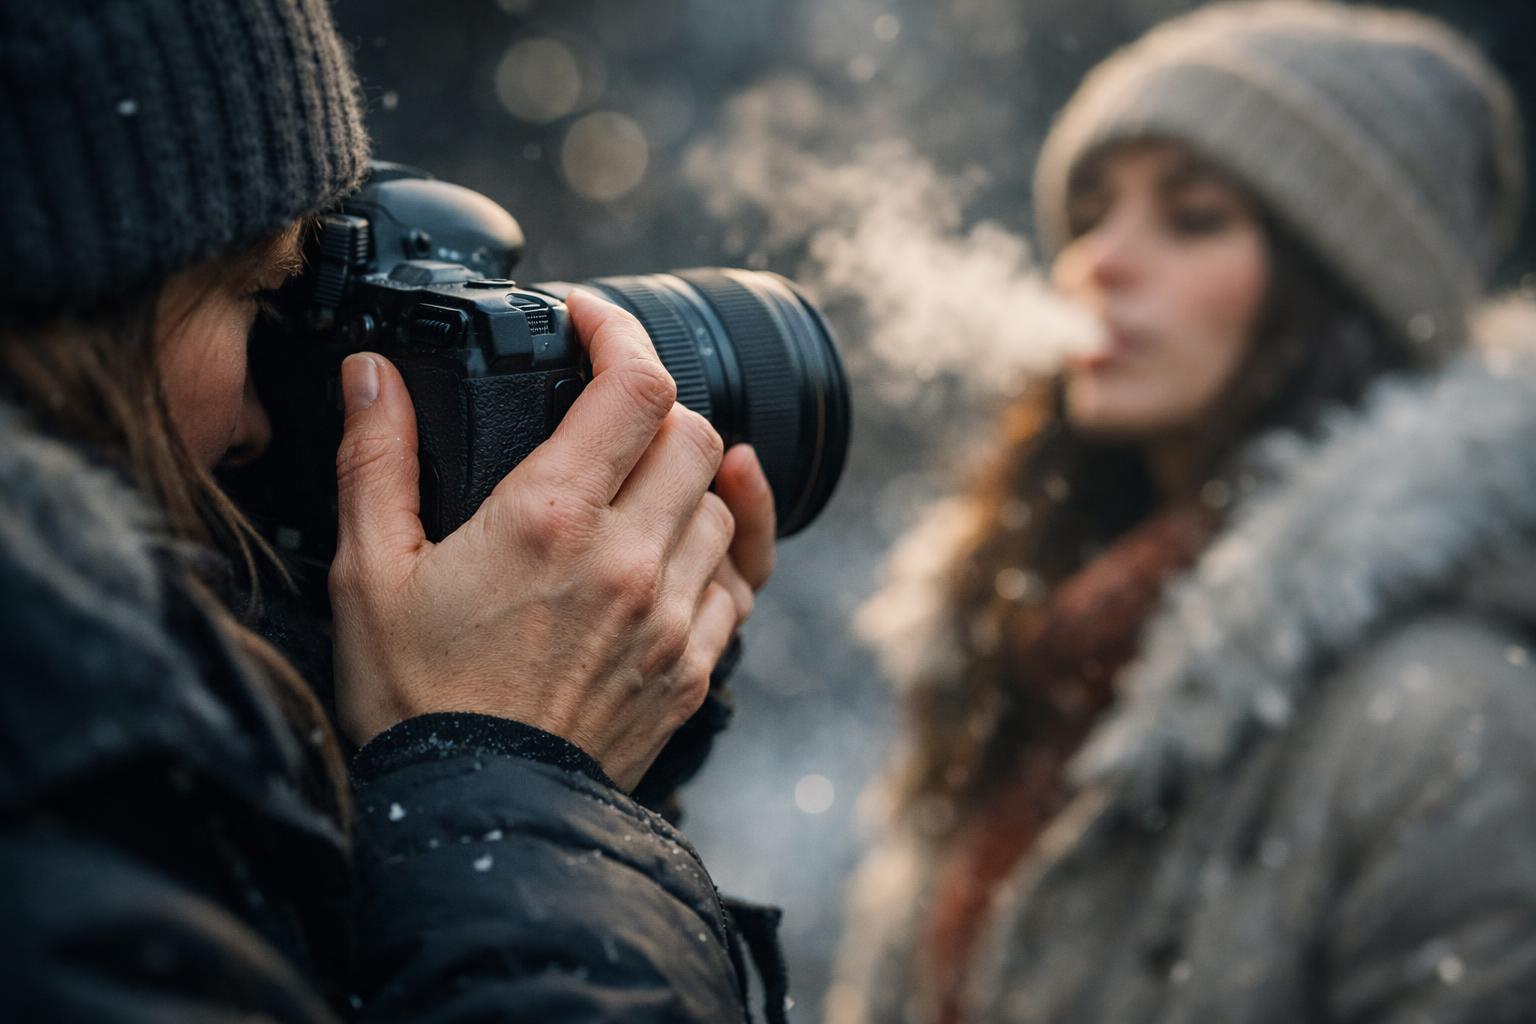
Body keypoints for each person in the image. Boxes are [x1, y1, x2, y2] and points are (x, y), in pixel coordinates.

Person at [0, 0, 778, 1020]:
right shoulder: (59, 776)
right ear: (79, 287)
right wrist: (503, 774)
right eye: (251, 294)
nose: (260, 424)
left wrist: (587, 737)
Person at [832, 3, 1536, 1022]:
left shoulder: (1447, 720)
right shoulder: (1022, 658)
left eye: (1192, 216)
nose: (1101, 262)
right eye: (1090, 216)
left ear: (1339, 292)